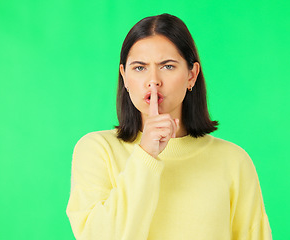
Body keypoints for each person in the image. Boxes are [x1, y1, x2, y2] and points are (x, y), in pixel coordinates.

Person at [66, 13, 272, 240]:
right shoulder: (97, 150)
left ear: (191, 75)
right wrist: (146, 154)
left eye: (168, 66)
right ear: (124, 76)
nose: (153, 80)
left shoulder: (234, 160)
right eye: (139, 68)